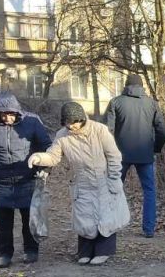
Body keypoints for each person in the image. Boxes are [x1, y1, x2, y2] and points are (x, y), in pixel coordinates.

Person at [28, 103, 130, 265]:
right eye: (68, 122)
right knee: (84, 218)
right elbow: (53, 156)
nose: (72, 125)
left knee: (105, 216)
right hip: (81, 181)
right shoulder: (62, 135)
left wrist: (114, 178)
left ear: (82, 119)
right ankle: (85, 252)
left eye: (75, 121)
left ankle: (103, 251)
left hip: (103, 179)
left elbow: (114, 156)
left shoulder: (99, 130)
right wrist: (39, 158)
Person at [0, 93, 52, 268]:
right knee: (4, 221)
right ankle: (5, 254)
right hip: (0, 179)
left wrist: (44, 167)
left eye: (11, 114)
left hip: (26, 177)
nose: (7, 118)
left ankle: (31, 250)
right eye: (3, 115)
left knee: (29, 217)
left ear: (17, 112)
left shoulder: (32, 121)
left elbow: (47, 146)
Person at [104, 74, 165, 238]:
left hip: (119, 154)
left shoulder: (116, 102)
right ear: (142, 86)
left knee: (112, 189)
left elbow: (106, 130)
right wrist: (156, 148)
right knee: (149, 191)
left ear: (125, 85)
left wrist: (108, 151)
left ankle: (111, 225)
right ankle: (149, 229)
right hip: (145, 154)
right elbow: (162, 129)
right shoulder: (152, 103)